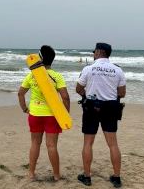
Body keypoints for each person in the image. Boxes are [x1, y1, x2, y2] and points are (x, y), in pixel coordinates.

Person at [76, 43, 126, 188]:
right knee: (113, 144)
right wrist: (108, 96)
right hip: (111, 107)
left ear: (99, 52)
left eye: (94, 52)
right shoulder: (117, 70)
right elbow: (122, 93)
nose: (93, 54)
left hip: (91, 106)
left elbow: (78, 88)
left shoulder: (88, 68)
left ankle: (87, 177)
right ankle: (116, 177)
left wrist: (88, 95)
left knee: (88, 143)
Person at [18, 45, 70, 181]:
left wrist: (25, 109)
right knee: (52, 145)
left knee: (35, 143)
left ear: (40, 58)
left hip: (35, 114)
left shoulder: (32, 75)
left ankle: (31, 173)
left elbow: (20, 93)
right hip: (52, 115)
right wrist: (65, 115)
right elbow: (65, 97)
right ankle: (57, 175)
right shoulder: (57, 76)